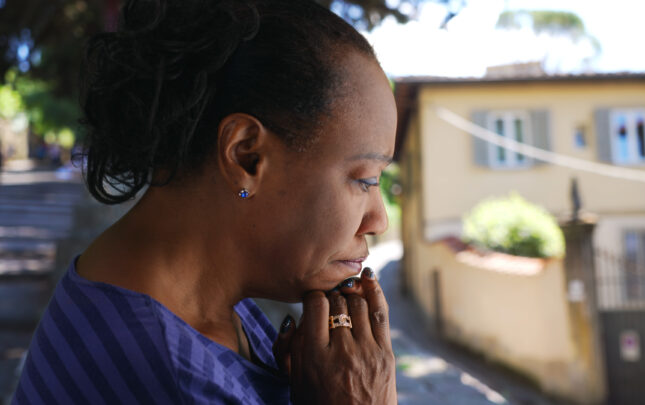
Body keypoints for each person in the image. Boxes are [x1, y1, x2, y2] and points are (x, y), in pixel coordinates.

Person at [12, 0, 397, 403]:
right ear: (246, 156)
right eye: (365, 180)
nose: (378, 220)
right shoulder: (175, 378)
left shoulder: (186, 297)